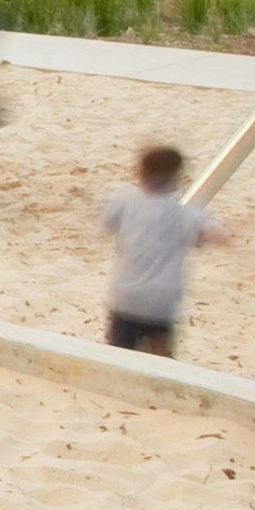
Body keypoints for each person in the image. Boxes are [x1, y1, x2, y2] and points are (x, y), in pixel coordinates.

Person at [99, 144, 227, 356]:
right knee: (160, 363)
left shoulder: (125, 201)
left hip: (124, 299)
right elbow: (219, 236)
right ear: (176, 178)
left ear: (139, 172)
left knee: (118, 360)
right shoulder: (184, 213)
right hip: (160, 305)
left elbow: (106, 225)